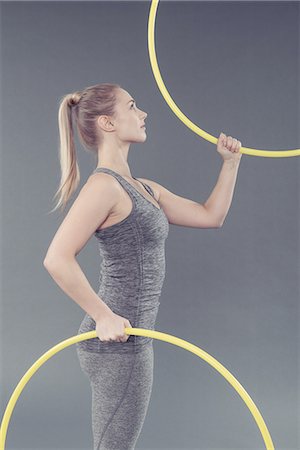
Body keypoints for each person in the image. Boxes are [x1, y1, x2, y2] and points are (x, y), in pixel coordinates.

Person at [43, 82, 242, 450]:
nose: (143, 113)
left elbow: (210, 215)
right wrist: (103, 316)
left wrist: (230, 164)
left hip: (133, 339)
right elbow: (56, 258)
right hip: (117, 344)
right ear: (107, 123)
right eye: (132, 106)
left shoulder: (144, 188)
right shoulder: (103, 187)